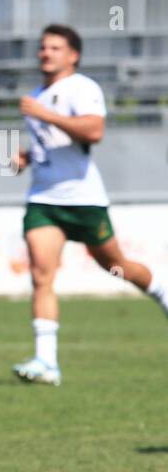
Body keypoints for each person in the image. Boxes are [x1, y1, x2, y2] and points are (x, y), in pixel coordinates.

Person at [12, 24, 168, 385]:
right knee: (41, 275)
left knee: (116, 267)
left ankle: (160, 288)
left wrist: (44, 114)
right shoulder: (36, 95)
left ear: (73, 55)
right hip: (43, 201)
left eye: (54, 47)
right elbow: (50, 146)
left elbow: (93, 132)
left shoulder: (82, 89)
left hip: (83, 200)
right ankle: (46, 362)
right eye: (42, 47)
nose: (45, 53)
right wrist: (25, 158)